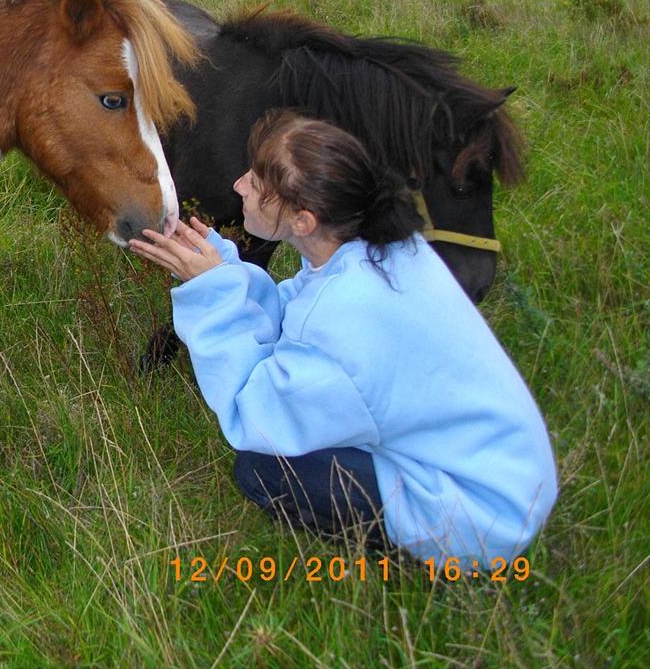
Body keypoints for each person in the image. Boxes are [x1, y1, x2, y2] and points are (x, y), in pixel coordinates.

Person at [129, 109, 557, 563]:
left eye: (256, 183)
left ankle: (419, 559)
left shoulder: (346, 316)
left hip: (478, 519)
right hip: (509, 475)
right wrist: (225, 267)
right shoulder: (384, 250)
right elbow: (293, 315)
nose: (239, 186)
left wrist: (212, 293)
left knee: (262, 471)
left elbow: (252, 416)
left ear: (304, 222)